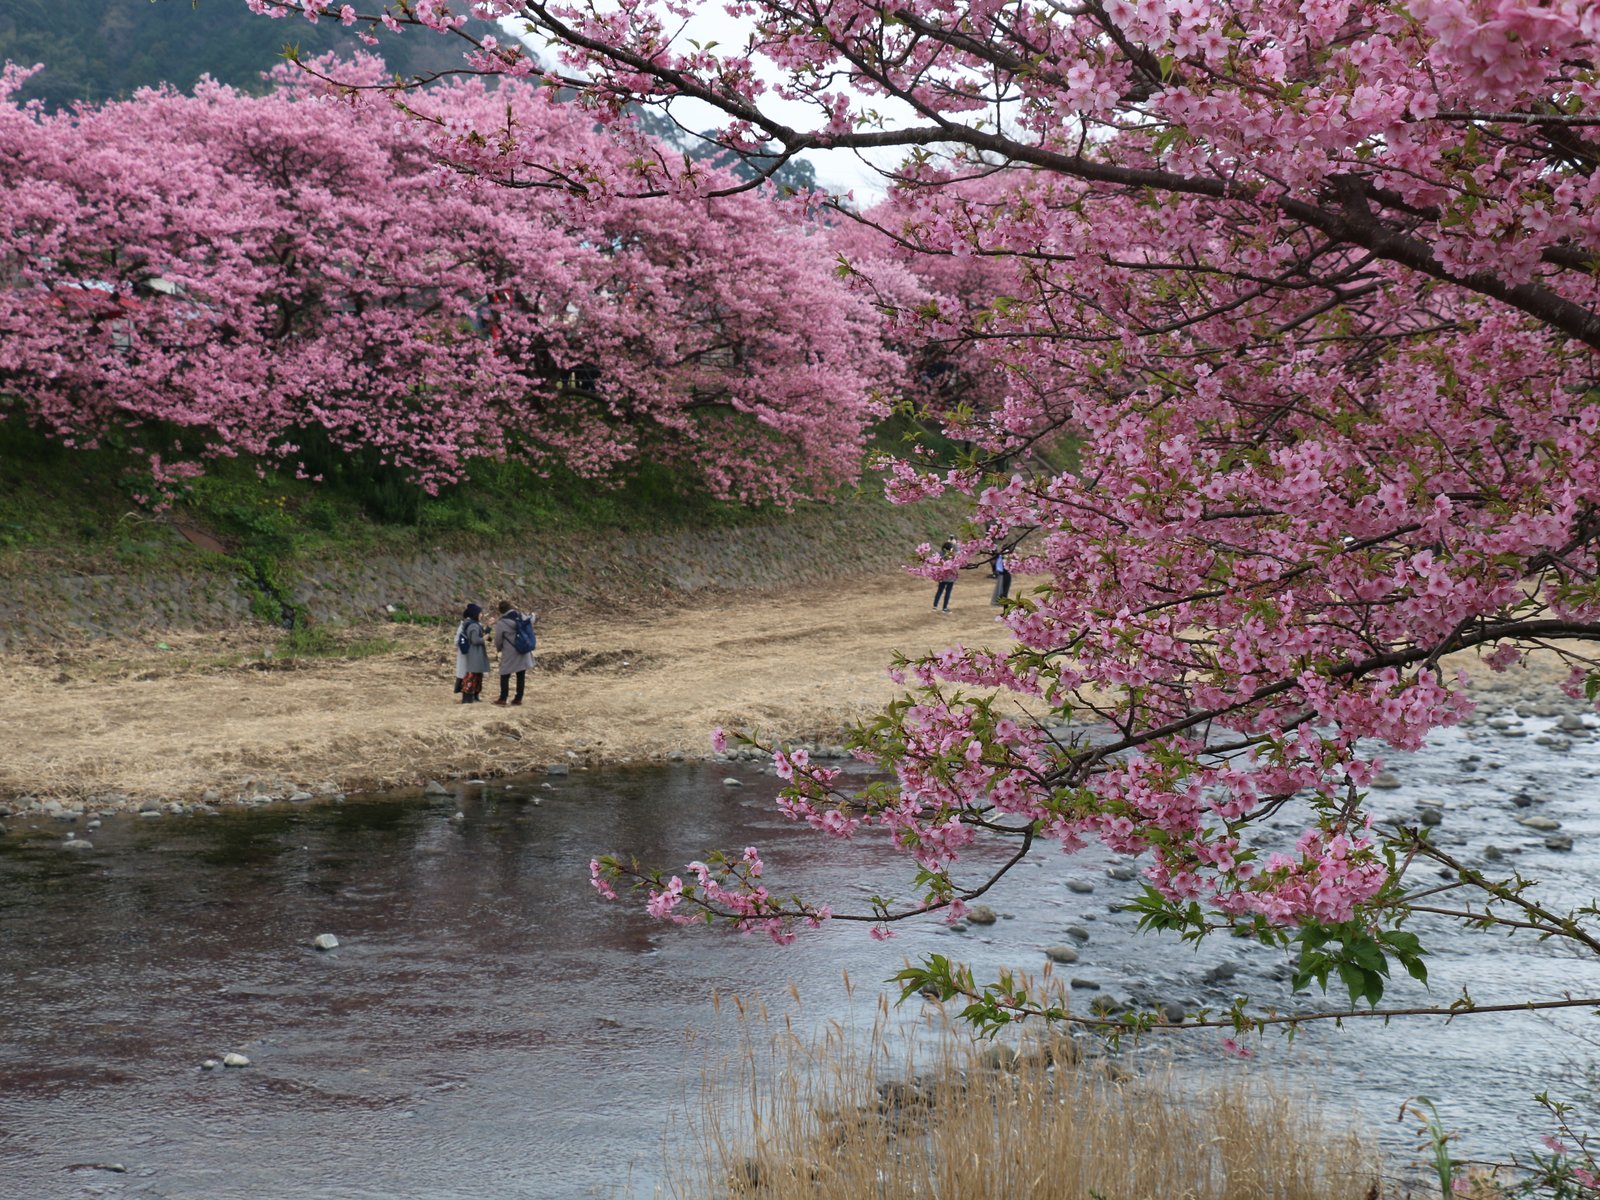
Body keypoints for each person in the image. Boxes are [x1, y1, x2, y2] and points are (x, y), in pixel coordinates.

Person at [491, 599, 536, 706]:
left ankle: (503, 698)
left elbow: (498, 640)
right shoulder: (520, 616)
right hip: (523, 649)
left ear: (501, 611)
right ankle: (518, 699)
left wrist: (498, 649)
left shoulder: (501, 623)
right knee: (521, 674)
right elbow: (531, 620)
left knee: (505, 674)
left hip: (510, 652)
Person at [458, 603, 489, 704]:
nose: (481, 615)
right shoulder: (473, 626)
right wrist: (483, 639)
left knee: (476, 675)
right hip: (474, 654)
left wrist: (488, 627)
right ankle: (467, 697)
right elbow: (475, 640)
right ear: (475, 614)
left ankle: (472, 695)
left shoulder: (471, 624)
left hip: (475, 654)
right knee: (472, 675)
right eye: (480, 613)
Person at [932, 538, 957, 613]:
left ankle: (934, 606)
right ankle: (945, 608)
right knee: (948, 592)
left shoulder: (940, 553)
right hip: (950, 575)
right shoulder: (952, 555)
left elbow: (936, 563)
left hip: (942, 575)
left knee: (939, 590)